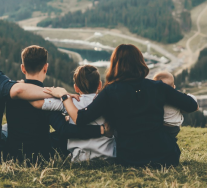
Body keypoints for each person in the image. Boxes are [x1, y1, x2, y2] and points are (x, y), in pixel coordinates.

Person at [43, 44, 199, 167]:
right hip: (165, 155)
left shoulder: (111, 91)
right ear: (141, 62)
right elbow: (191, 105)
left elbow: (81, 119)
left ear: (115, 64)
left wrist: (64, 96)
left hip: (130, 157)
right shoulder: (158, 87)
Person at [6, 46, 109, 162]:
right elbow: (65, 130)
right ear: (46, 67)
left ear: (23, 68)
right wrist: (100, 130)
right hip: (39, 156)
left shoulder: (11, 93)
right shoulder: (49, 101)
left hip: (13, 153)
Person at [31, 65, 116, 162]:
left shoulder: (69, 103)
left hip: (79, 158)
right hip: (107, 156)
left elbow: (37, 103)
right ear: (99, 85)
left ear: (76, 88)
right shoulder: (106, 102)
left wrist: (54, 92)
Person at [153, 71, 198, 138]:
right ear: (173, 87)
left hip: (157, 127)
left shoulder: (153, 98)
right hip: (173, 128)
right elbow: (194, 105)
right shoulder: (176, 99)